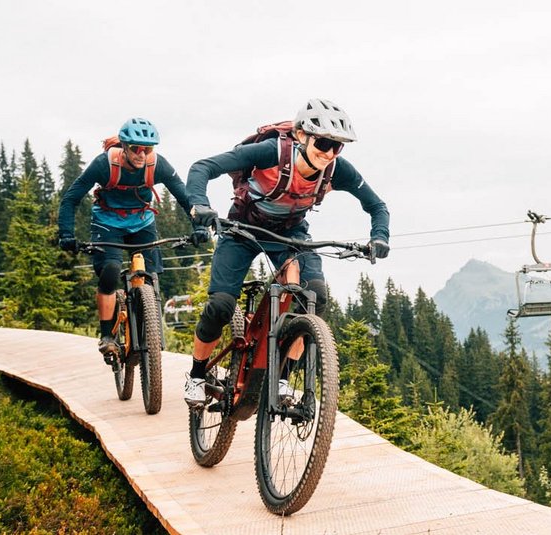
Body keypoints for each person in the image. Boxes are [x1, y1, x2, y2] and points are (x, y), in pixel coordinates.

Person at [183, 98, 389, 406]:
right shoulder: (271, 152)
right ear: (302, 135)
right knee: (221, 306)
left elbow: (376, 206)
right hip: (242, 229)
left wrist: (379, 237)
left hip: (291, 234)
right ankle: (197, 375)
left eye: (338, 147)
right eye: (323, 143)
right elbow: (203, 167)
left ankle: (281, 379)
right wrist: (199, 204)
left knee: (314, 297)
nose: (329, 153)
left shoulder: (335, 169)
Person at [57, 118, 192, 363]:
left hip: (141, 222)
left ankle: (147, 324)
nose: (142, 154)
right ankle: (107, 336)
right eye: (136, 148)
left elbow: (185, 197)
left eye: (148, 149)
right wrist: (66, 233)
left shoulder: (157, 165)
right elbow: (71, 198)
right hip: (108, 222)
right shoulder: (104, 165)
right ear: (125, 147)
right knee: (110, 269)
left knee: (151, 274)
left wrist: (199, 225)